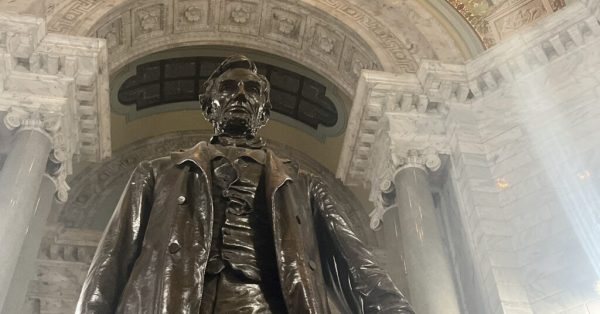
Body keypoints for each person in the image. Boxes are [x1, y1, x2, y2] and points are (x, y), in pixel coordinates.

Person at [76, 55, 414, 314]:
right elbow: (111, 261)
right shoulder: (156, 172)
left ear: (264, 112)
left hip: (266, 303)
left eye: (251, 90)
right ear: (210, 106)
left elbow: (355, 261)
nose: (240, 95)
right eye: (228, 88)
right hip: (176, 301)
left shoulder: (302, 185)